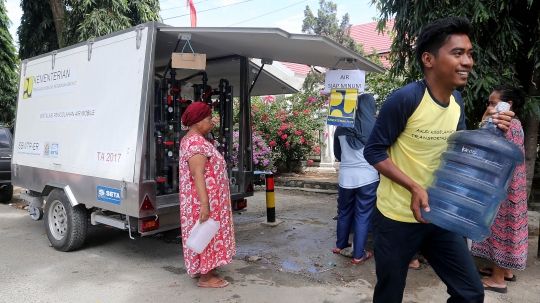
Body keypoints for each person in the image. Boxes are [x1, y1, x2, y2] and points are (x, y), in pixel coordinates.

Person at [363, 17, 514, 302]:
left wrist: (488, 129)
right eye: (457, 53)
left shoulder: (456, 101)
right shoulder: (406, 99)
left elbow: (457, 149)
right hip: (397, 217)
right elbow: (373, 151)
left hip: (440, 214)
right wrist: (414, 187)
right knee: (389, 294)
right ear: (429, 59)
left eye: (469, 54)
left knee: (470, 293)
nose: (467, 61)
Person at [472, 85, 528, 293]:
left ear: (508, 105)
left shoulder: (504, 125)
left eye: (493, 103)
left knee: (499, 229)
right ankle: (505, 271)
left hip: (502, 187)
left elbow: (483, 143)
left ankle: (497, 280)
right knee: (508, 226)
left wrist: (484, 119)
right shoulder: (516, 124)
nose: (489, 107)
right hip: (514, 186)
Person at [179, 102, 236, 288]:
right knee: (206, 234)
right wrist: (205, 204)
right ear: (197, 122)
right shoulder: (195, 142)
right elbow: (197, 174)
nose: (212, 122)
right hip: (202, 200)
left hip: (206, 199)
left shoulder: (196, 140)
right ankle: (206, 277)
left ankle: (204, 268)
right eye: (209, 118)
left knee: (204, 233)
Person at [332, 94, 379, 264]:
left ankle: (340, 245)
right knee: (363, 216)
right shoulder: (376, 128)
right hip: (368, 178)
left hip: (345, 178)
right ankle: (358, 254)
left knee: (344, 212)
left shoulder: (340, 128)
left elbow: (338, 154)